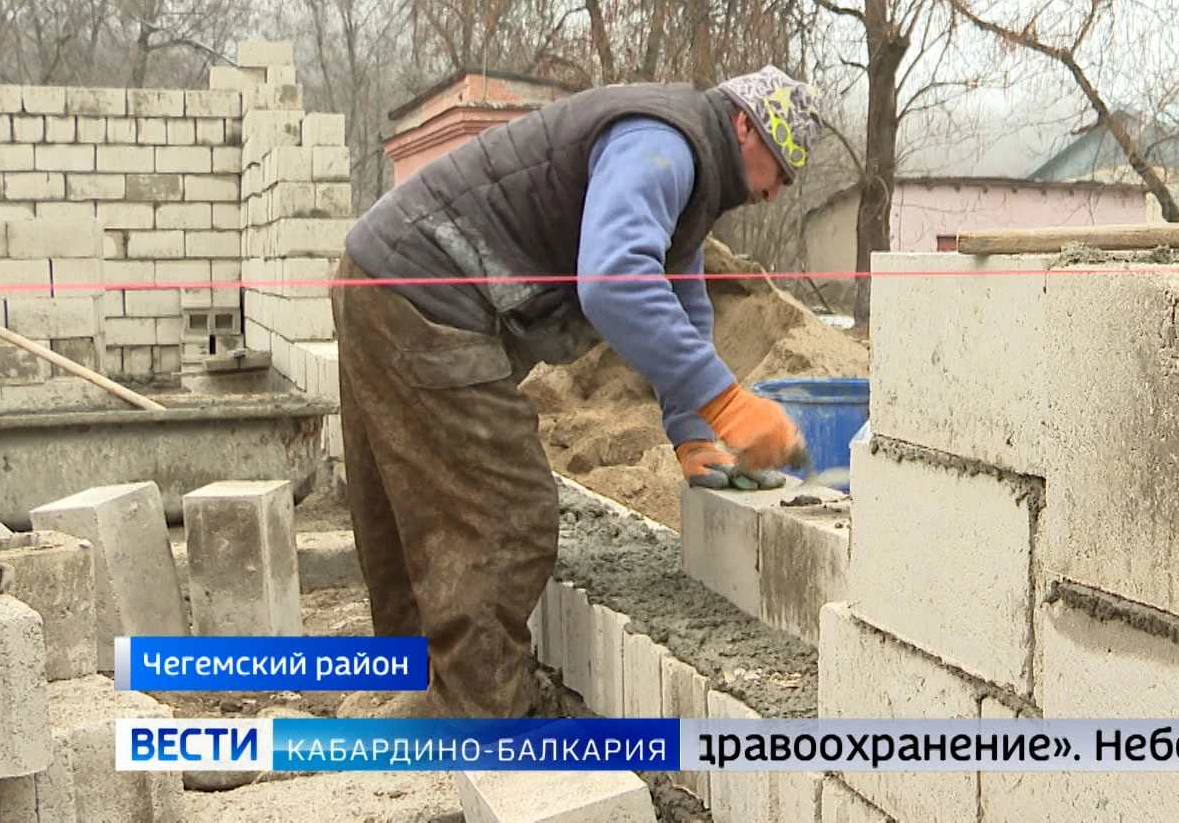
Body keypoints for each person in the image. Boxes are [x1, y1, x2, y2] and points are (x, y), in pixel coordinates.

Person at [329, 66, 821, 719]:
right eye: (780, 172)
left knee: (414, 503)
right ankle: (477, 719)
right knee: (502, 509)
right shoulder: (663, 144)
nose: (775, 194)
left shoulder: (684, 163)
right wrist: (731, 404)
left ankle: (412, 685)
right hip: (424, 297)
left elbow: (684, 298)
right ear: (743, 126)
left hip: (382, 277)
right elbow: (616, 280)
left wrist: (696, 432)